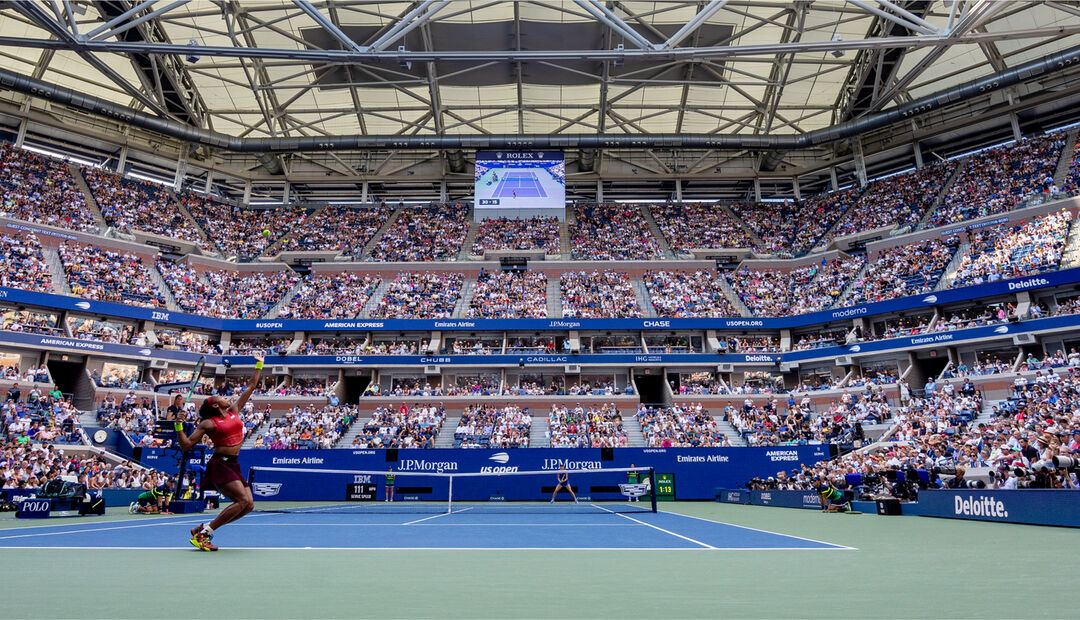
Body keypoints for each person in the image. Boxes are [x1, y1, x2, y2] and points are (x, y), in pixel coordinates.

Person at [176, 351, 264, 551]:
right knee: (242, 500)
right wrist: (178, 426)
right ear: (215, 405)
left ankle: (203, 528)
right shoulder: (209, 423)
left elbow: (251, 386)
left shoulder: (234, 411)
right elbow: (186, 446)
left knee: (248, 505)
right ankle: (204, 534)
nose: (226, 398)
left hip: (233, 464)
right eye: (221, 397)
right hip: (220, 464)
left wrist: (259, 365)